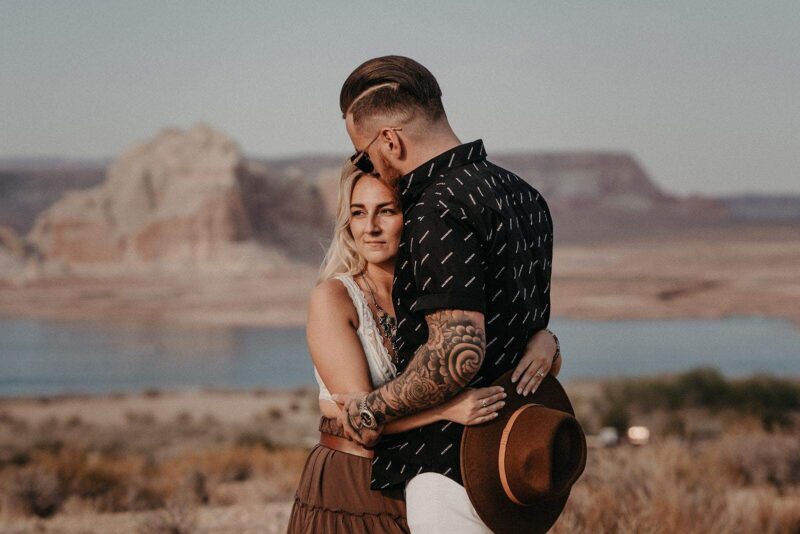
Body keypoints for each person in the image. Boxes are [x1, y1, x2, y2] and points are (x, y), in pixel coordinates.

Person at [334, 56, 560, 532]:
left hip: (454, 464)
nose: (368, 165)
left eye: (364, 154)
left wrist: (372, 408)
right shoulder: (524, 195)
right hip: (521, 460)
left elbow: (457, 353)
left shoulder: (436, 205)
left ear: (390, 140)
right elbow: (528, 329)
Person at [287, 161, 561, 533]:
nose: (370, 228)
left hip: (424, 479)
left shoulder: (432, 295)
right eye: (358, 213)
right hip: (353, 482)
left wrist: (546, 343)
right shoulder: (334, 298)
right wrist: (447, 409)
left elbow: (495, 363)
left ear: (412, 218)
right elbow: (361, 421)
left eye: (386, 211)